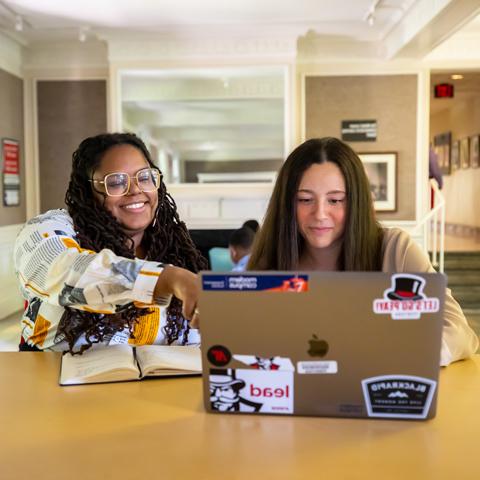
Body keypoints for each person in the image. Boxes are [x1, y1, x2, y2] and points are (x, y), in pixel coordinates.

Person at [248, 137, 478, 366]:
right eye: (305, 199)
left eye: (336, 200)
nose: (319, 213)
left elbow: (460, 332)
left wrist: (397, 354)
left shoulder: (396, 250)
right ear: (287, 204)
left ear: (355, 202)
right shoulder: (271, 258)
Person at [14, 133, 207, 354]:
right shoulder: (48, 230)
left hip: (155, 385)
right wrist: (168, 278)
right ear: (88, 191)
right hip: (52, 380)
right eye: (116, 182)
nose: (135, 190)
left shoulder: (175, 249)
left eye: (144, 177)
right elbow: (66, 272)